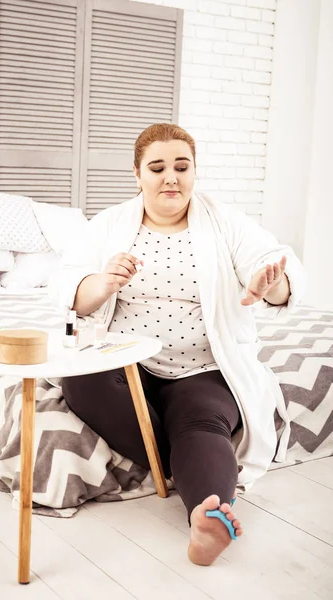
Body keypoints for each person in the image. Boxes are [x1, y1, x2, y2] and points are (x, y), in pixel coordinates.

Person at [51, 123, 306, 566]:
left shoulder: (225, 220)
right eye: (158, 167)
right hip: (127, 366)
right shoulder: (110, 223)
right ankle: (186, 459)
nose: (171, 177)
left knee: (200, 422)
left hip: (202, 369)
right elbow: (68, 288)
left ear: (194, 172)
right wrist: (102, 282)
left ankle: (205, 517)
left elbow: (269, 263)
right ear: (138, 174)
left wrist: (271, 282)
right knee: (81, 379)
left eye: (181, 166)